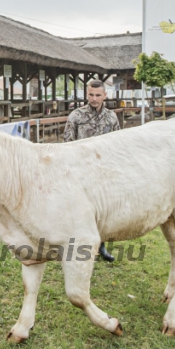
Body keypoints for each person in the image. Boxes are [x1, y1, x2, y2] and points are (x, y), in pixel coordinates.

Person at [63, 78, 121, 263]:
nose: (94, 99)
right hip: (82, 173)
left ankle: (101, 245)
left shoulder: (112, 117)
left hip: (104, 172)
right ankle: (78, 246)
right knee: (80, 211)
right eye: (91, 95)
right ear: (86, 94)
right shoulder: (76, 116)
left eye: (98, 95)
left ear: (105, 95)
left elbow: (118, 145)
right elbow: (67, 145)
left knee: (103, 212)